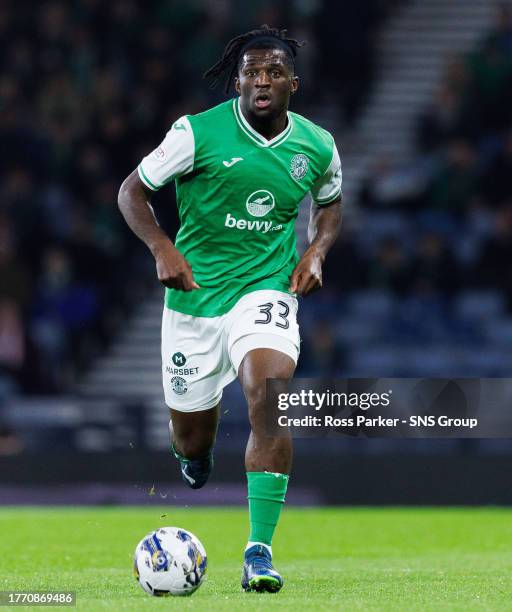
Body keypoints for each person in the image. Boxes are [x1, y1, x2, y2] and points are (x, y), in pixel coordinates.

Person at [118, 25, 342, 593]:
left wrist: (316, 249)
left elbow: (331, 205)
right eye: (251, 72)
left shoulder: (317, 146)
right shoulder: (196, 133)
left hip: (265, 290)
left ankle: (259, 551)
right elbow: (132, 192)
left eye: (273, 72)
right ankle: (194, 456)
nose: (261, 81)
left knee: (269, 394)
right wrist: (162, 246)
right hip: (194, 298)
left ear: (293, 82)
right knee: (192, 439)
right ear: (237, 80)